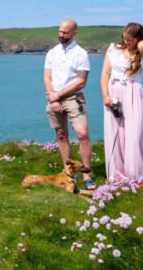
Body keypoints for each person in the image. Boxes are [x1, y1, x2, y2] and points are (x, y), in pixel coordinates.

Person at [44, 19, 96, 189]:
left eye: (65, 32)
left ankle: (86, 173)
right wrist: (53, 96)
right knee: (61, 134)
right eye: (60, 31)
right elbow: (47, 77)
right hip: (54, 97)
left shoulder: (81, 53)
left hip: (74, 98)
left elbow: (81, 81)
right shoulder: (52, 53)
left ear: (74, 33)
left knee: (82, 133)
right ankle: (68, 173)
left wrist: (57, 95)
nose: (61, 35)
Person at [100, 22, 143, 183]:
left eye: (129, 39)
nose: (126, 42)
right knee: (114, 133)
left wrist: (141, 42)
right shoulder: (113, 49)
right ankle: (116, 174)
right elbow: (105, 73)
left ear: (137, 38)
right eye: (124, 38)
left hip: (133, 91)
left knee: (134, 135)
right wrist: (105, 96)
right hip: (114, 90)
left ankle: (136, 175)